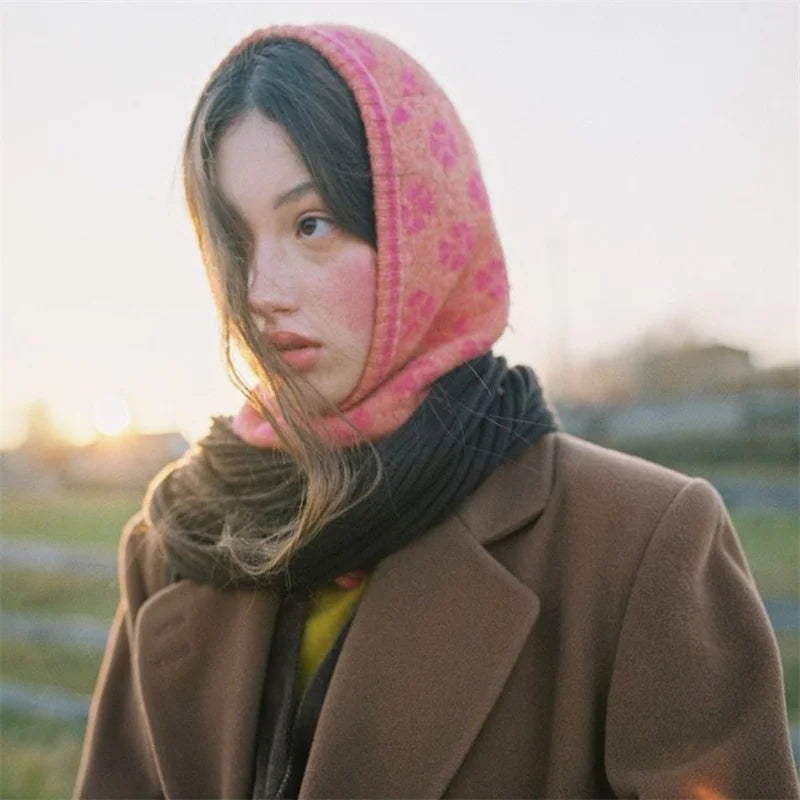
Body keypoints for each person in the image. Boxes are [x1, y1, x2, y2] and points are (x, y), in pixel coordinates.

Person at [74, 23, 798, 799]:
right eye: (234, 242)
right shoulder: (181, 535)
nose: (261, 292)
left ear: (425, 225)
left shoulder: (640, 544)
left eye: (310, 224)